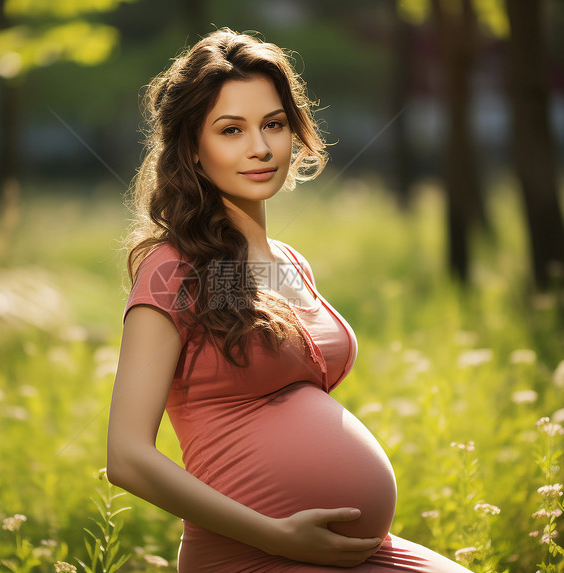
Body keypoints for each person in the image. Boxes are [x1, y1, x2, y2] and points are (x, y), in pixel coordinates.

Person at [106, 29, 470, 572]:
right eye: (231, 130)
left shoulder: (290, 261)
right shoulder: (172, 270)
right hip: (252, 556)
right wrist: (277, 538)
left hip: (336, 554)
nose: (261, 147)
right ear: (192, 151)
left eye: (273, 124)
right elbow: (126, 457)